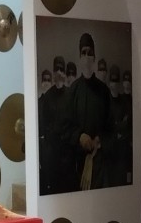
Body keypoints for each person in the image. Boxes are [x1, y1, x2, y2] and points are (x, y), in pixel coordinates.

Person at [70, 33, 112, 191]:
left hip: (100, 161)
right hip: (76, 162)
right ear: (79, 56)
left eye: (90, 53)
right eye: (84, 53)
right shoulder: (73, 91)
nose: (87, 56)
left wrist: (99, 141)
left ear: (94, 56)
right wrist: (79, 136)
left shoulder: (103, 91)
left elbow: (111, 125)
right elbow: (64, 125)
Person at [37, 56, 73, 194]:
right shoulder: (47, 97)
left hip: (68, 153)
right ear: (53, 72)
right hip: (53, 154)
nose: (59, 72)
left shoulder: (70, 95)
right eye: (56, 69)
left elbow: (73, 122)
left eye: (61, 69)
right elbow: (44, 125)